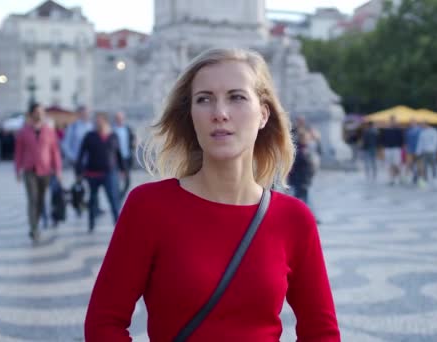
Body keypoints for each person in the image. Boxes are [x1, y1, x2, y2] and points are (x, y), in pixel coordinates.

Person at [85, 48, 340, 341]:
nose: (220, 113)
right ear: (191, 116)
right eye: (204, 99)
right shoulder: (148, 206)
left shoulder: (294, 218)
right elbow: (104, 323)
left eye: (237, 97)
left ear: (263, 114)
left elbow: (321, 333)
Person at [14, 103, 62, 241]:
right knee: (32, 199)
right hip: (29, 170)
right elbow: (18, 153)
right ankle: (33, 228)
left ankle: (37, 222)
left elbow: (55, 152)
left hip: (45, 171)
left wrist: (58, 170)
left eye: (42, 112)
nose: (39, 114)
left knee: (41, 200)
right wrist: (17, 170)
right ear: (32, 114)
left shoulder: (49, 131)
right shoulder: (23, 132)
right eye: (37, 112)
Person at [76, 112, 125, 232]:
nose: (97, 122)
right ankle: (91, 224)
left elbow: (118, 154)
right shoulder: (89, 136)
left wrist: (123, 169)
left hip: (110, 173)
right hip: (92, 173)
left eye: (99, 120)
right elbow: (81, 154)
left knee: (113, 199)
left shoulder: (113, 136)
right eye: (95, 120)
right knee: (92, 200)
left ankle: (118, 225)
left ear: (105, 121)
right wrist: (79, 171)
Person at [112, 111, 136, 200]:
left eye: (121, 118)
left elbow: (132, 139)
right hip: (115, 159)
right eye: (118, 118)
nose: (120, 120)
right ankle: (116, 196)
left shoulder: (127, 129)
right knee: (116, 179)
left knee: (127, 181)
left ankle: (120, 196)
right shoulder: (112, 130)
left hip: (126, 158)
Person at [380, 116, 404, 185]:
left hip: (396, 149)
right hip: (388, 149)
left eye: (394, 120)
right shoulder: (386, 130)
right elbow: (382, 140)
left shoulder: (398, 130)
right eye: (391, 120)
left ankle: (400, 177)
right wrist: (382, 149)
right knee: (389, 164)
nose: (392, 122)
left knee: (396, 164)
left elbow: (401, 140)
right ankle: (391, 179)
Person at [415, 121, 437, 187]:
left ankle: (435, 178)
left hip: (431, 151)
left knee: (433, 165)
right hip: (424, 151)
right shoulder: (422, 132)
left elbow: (436, 140)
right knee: (424, 166)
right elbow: (420, 142)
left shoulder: (433, 131)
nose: (422, 126)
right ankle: (426, 179)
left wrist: (434, 149)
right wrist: (418, 151)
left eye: (423, 125)